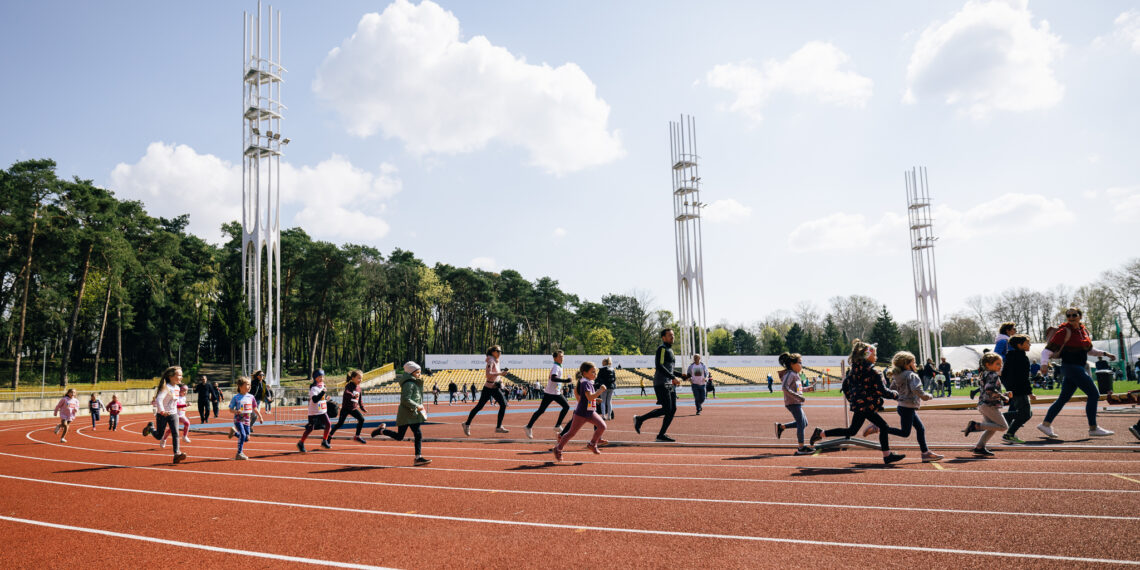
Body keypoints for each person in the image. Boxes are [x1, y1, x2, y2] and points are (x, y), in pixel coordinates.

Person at [819, 340, 905, 464]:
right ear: (867, 355)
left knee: (852, 431)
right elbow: (881, 391)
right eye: (874, 354)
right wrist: (895, 395)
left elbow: (845, 385)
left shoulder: (853, 370)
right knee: (883, 426)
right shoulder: (874, 372)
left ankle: (821, 433)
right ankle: (887, 455)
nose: (876, 357)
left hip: (859, 405)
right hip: (867, 406)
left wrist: (852, 400)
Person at [1036, 307, 1117, 438]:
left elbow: (1090, 350)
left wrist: (1105, 353)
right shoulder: (1063, 331)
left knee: (1063, 398)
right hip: (1071, 367)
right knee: (1093, 394)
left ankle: (1045, 424)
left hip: (1078, 367)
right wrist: (1044, 365)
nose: (1071, 317)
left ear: (1080, 316)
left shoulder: (1083, 331)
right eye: (1068, 316)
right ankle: (1093, 428)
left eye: (1074, 315)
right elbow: (1046, 351)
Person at [372, 361, 432, 466]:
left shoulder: (415, 382)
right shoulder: (409, 384)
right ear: (411, 373)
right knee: (400, 436)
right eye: (417, 372)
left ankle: (418, 457)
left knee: (418, 434)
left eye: (420, 372)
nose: (419, 374)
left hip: (414, 413)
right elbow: (405, 399)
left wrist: (419, 407)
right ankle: (381, 431)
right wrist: (417, 406)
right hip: (406, 414)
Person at [633, 329, 685, 443]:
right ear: (663, 337)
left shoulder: (670, 350)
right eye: (670, 335)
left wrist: (681, 375)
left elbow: (669, 369)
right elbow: (659, 366)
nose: (672, 337)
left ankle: (661, 435)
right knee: (666, 409)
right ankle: (639, 419)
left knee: (672, 409)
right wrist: (673, 377)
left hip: (668, 383)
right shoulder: (662, 349)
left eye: (673, 335)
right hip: (661, 383)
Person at [889, 351, 942, 462]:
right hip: (907, 407)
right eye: (914, 362)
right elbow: (916, 389)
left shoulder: (897, 375)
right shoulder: (911, 375)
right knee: (905, 433)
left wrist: (900, 397)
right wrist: (928, 396)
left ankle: (925, 452)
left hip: (903, 407)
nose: (916, 364)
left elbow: (892, 389)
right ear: (907, 364)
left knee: (920, 428)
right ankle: (880, 428)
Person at [552, 361, 608, 462]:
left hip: (590, 412)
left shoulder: (588, 382)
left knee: (602, 426)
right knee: (571, 433)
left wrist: (596, 399)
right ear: (585, 373)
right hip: (581, 413)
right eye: (593, 372)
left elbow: (588, 398)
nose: (595, 374)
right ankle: (558, 448)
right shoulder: (585, 382)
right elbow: (590, 397)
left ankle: (592, 444)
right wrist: (600, 391)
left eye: (595, 372)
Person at [963, 353, 1009, 456]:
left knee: (992, 427)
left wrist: (1003, 394)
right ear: (988, 364)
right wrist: (1003, 397)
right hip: (989, 405)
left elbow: (986, 389)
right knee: (1003, 426)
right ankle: (975, 426)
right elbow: (989, 389)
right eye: (997, 364)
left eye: (1001, 364)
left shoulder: (984, 374)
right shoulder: (993, 375)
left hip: (982, 404)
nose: (1000, 366)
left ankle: (979, 447)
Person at [141, 366, 188, 464]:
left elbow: (174, 402)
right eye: (179, 375)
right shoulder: (166, 387)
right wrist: (162, 411)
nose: (181, 377)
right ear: (171, 376)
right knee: (159, 436)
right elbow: (159, 399)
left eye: (181, 375)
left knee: (176, 433)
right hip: (162, 415)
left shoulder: (178, 388)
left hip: (173, 414)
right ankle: (150, 428)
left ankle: (177, 454)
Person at [462, 345, 511, 436]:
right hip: (489, 387)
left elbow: (498, 377)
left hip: (494, 387)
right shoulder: (491, 360)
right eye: (498, 351)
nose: (500, 353)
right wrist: (501, 373)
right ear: (493, 352)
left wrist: (503, 386)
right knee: (480, 407)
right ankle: (467, 424)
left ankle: (498, 427)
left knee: (503, 404)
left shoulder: (496, 361)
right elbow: (488, 375)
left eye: (501, 351)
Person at [524, 351, 571, 439]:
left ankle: (557, 425)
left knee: (566, 406)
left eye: (563, 356)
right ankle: (528, 426)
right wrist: (565, 381)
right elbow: (553, 378)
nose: (562, 358)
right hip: (550, 393)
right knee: (541, 411)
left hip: (555, 392)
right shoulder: (556, 366)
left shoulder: (559, 366)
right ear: (555, 358)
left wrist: (560, 386)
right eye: (560, 356)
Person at [774, 352, 814, 455]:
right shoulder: (790, 374)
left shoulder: (796, 375)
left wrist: (807, 389)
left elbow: (798, 390)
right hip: (792, 403)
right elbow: (784, 388)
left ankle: (781, 427)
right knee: (801, 423)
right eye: (800, 362)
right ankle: (801, 447)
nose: (801, 365)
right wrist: (798, 397)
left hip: (796, 402)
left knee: (804, 423)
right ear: (792, 364)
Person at [1000, 335, 1036, 444]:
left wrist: (1009, 388)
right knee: (1025, 414)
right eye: (1027, 343)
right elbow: (1024, 378)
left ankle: (1009, 432)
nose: (1030, 345)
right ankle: (1006, 428)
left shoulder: (1009, 357)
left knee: (1026, 413)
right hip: (1020, 390)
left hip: (1013, 389)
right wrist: (1030, 393)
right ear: (1019, 345)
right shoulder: (1022, 358)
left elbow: (1003, 375)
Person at [228, 376, 264, 460]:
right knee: (243, 435)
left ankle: (234, 433)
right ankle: (239, 453)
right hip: (239, 419)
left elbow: (255, 408)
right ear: (240, 386)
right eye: (247, 384)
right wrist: (236, 411)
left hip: (247, 421)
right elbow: (230, 409)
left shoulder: (251, 397)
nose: (249, 386)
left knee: (247, 438)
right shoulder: (236, 397)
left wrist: (260, 416)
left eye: (250, 385)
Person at [297, 369, 333, 453]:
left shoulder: (323, 385)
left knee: (328, 424)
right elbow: (315, 399)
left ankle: (324, 440)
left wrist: (326, 397)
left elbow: (323, 396)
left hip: (322, 410)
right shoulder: (313, 388)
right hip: (313, 412)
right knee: (310, 428)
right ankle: (301, 443)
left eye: (322, 377)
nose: (321, 379)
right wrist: (323, 393)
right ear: (315, 378)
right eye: (319, 377)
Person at [330, 369, 369, 444]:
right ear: (352, 378)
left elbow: (360, 399)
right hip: (345, 408)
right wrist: (353, 395)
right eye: (358, 378)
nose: (360, 380)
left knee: (361, 419)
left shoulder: (359, 388)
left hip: (353, 409)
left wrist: (362, 407)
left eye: (361, 378)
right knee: (340, 424)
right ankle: (329, 435)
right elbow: (347, 392)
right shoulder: (349, 386)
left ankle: (357, 436)